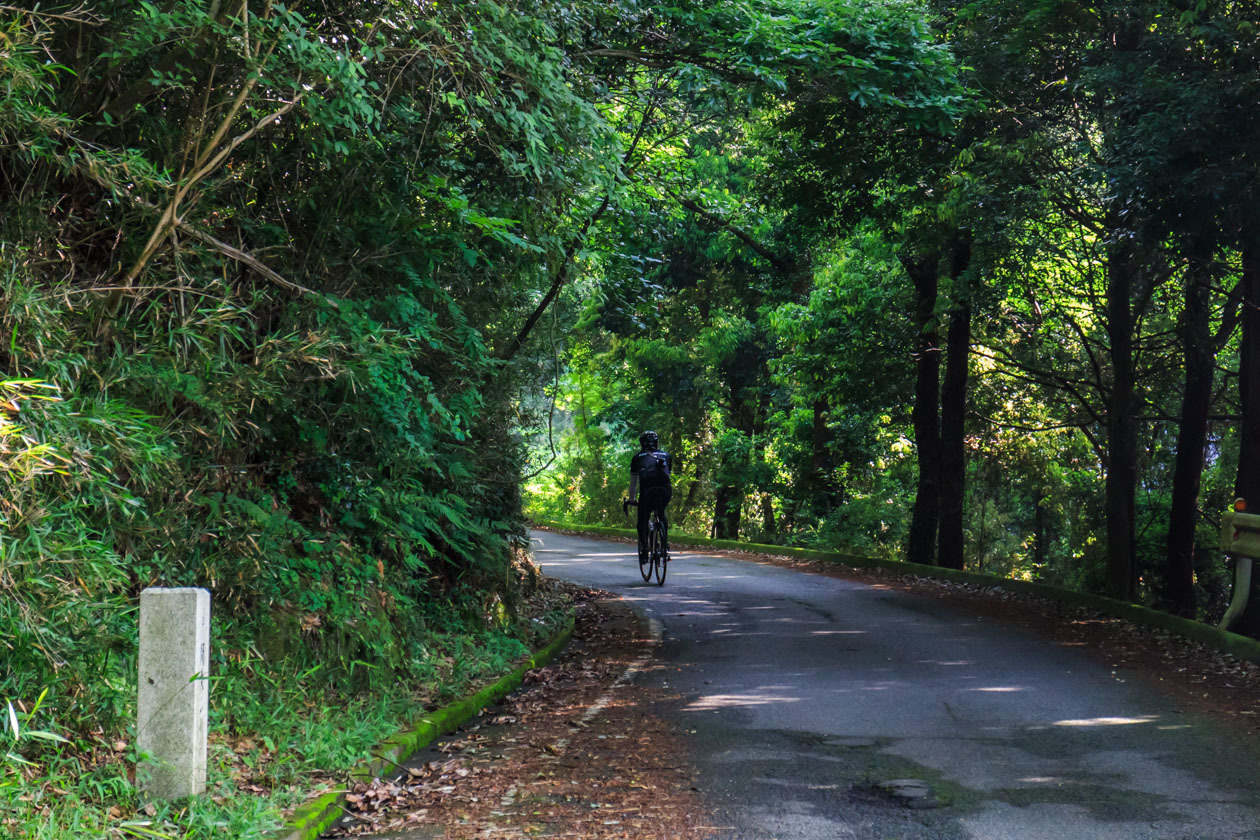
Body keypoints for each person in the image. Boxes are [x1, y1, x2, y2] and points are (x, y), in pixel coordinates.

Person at [624, 430, 673, 562]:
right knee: (661, 513)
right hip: (665, 491)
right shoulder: (666, 456)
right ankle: (664, 545)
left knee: (643, 520)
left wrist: (631, 499)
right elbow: (668, 474)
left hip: (648, 491)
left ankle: (645, 547)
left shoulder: (637, 457)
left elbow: (633, 482)